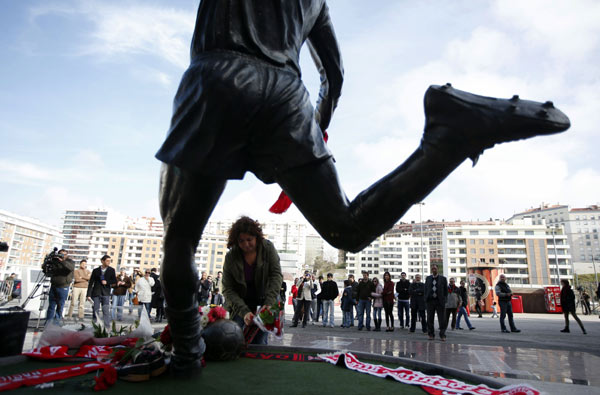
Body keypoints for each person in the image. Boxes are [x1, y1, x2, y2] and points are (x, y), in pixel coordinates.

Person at [155, 0, 569, 376]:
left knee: (179, 242)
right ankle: (447, 140)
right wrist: (313, 125)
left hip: (216, 79)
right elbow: (332, 76)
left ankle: (187, 355)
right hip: (285, 95)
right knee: (347, 229)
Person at [223, 217, 283, 343]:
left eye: (249, 240)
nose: (246, 244)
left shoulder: (268, 248)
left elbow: (276, 275)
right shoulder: (230, 257)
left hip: (265, 299)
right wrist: (244, 312)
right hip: (240, 302)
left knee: (260, 340)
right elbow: (228, 289)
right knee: (234, 338)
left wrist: (268, 304)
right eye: (241, 241)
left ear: (256, 237)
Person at [45, 249, 75, 325]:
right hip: (54, 285)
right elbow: (46, 269)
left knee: (60, 305)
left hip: (63, 287)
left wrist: (62, 261)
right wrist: (48, 260)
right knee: (51, 305)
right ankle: (48, 322)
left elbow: (70, 268)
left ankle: (56, 323)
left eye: (64, 254)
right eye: (60, 254)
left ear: (67, 255)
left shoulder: (69, 262)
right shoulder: (55, 261)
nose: (62, 256)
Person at [87, 254, 117, 327]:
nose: (109, 262)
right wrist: (88, 294)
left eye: (110, 261)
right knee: (95, 310)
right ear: (102, 261)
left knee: (106, 311)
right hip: (96, 293)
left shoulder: (111, 270)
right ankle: (95, 326)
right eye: (107, 261)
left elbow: (114, 281)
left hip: (106, 293)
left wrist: (107, 282)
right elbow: (91, 283)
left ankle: (107, 327)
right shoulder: (95, 270)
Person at [424, 264, 448, 340]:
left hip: (439, 301)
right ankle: (431, 334)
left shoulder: (443, 279)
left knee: (442, 319)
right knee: (430, 318)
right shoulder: (428, 278)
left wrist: (444, 300)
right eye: (432, 268)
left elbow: (446, 291)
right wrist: (426, 298)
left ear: (437, 269)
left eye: (435, 268)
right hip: (430, 301)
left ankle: (442, 335)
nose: (434, 269)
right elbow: (425, 289)